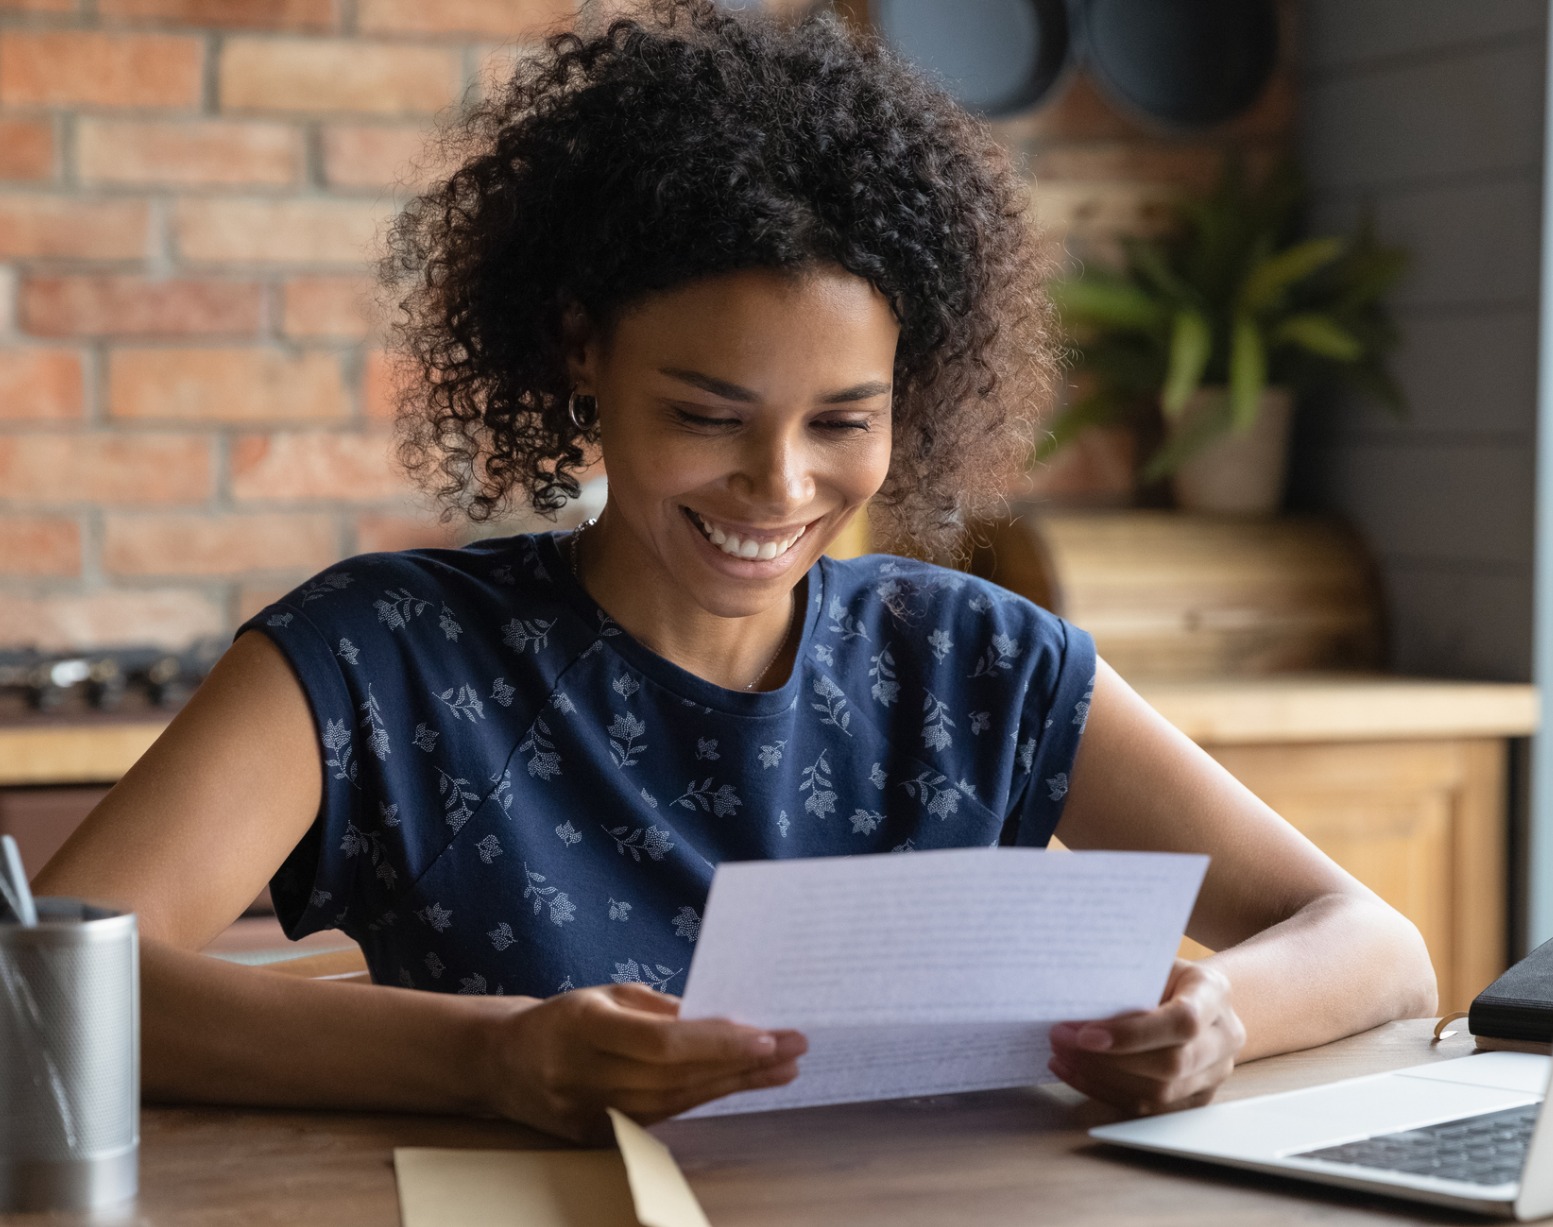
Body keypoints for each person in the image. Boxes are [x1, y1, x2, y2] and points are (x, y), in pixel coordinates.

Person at [36, 0, 1435, 1145]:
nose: (777, 489)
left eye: (842, 422)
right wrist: (489, 1061)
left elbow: (1371, 944)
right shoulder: (383, 653)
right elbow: (38, 986)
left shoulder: (977, 663)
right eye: (705, 416)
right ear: (581, 357)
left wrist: (1220, 1016)